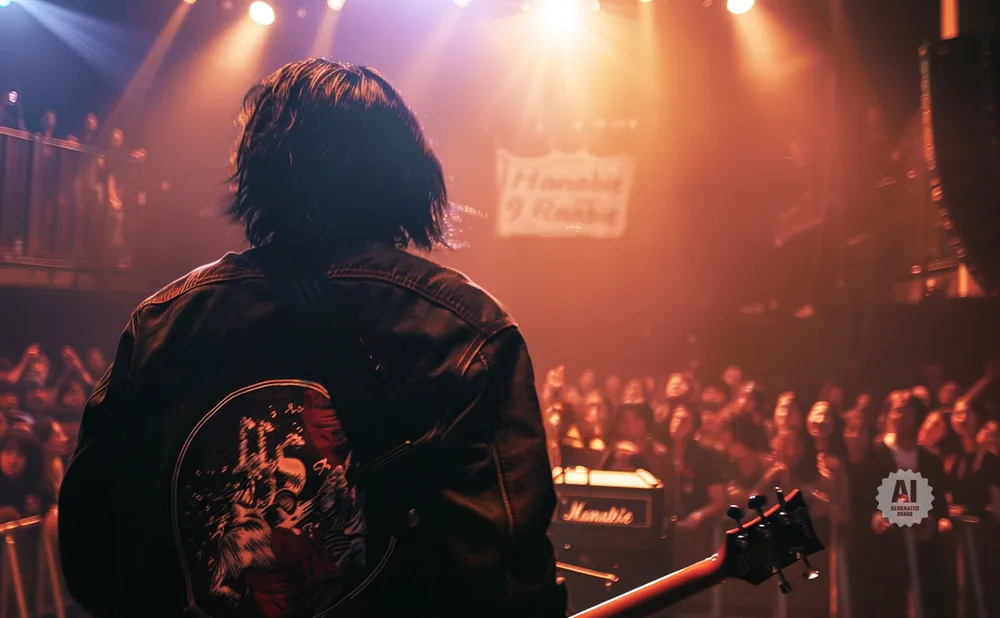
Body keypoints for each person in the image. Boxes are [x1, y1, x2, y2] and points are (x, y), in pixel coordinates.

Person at [58, 59, 566, 618]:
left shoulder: (161, 324)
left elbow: (93, 549)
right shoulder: (465, 330)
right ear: (407, 176)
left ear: (259, 174)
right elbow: (504, 578)